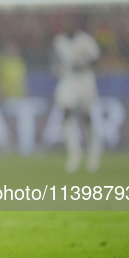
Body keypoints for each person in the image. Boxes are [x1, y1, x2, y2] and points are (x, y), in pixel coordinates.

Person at [53, 18, 101, 173]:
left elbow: (96, 58)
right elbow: (58, 61)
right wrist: (57, 68)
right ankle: (74, 152)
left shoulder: (85, 40)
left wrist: (82, 65)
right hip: (68, 79)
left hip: (85, 79)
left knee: (86, 116)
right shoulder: (59, 42)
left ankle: (93, 151)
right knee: (66, 112)